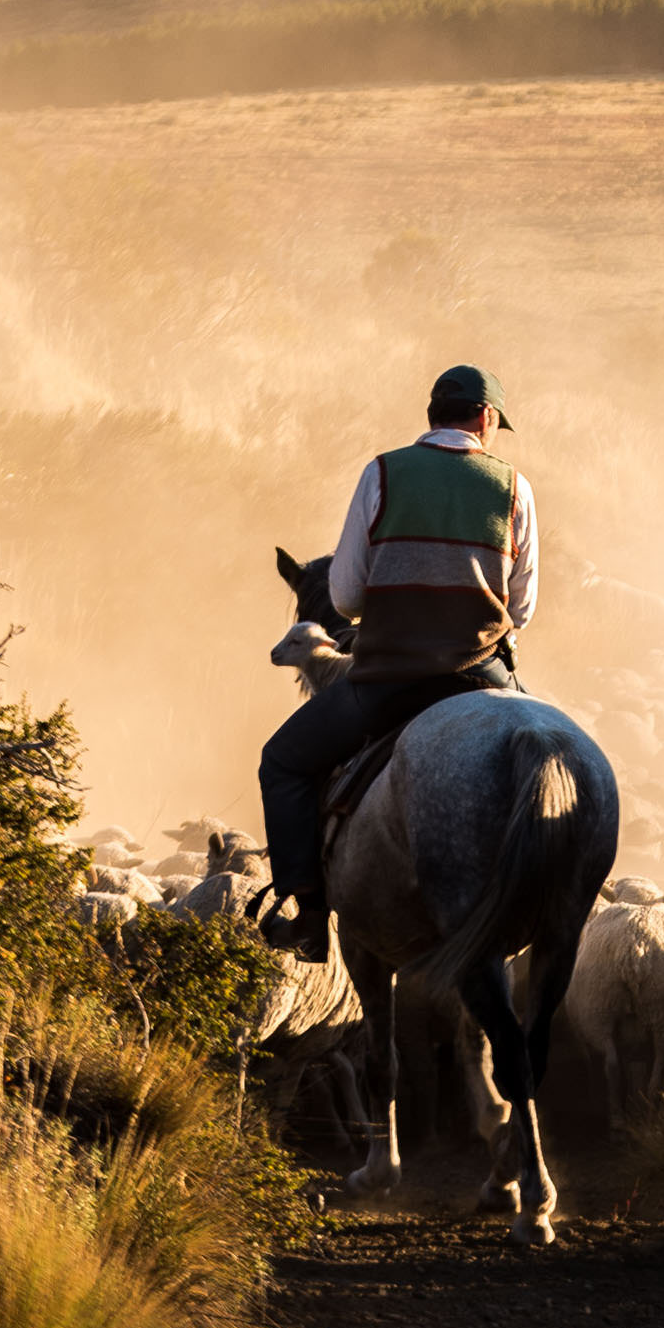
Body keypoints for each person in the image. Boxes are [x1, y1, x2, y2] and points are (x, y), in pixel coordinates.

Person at [256, 366, 539, 962]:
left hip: (388, 678)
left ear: (434, 412)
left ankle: (308, 916)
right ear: (486, 418)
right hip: (480, 674)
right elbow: (523, 608)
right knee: (548, 764)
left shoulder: (380, 473)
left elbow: (345, 598)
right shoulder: (515, 486)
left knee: (282, 762)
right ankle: (558, 909)